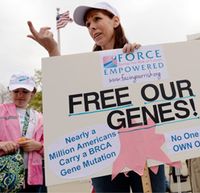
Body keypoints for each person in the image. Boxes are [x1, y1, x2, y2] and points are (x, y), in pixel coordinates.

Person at [27, 2, 166, 192]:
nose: (91, 26)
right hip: (103, 151)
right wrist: (52, 50)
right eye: (87, 24)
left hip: (144, 148)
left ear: (115, 21)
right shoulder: (87, 69)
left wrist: (141, 61)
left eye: (97, 19)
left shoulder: (138, 56)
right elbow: (64, 91)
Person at [0, 72, 46, 192]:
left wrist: (39, 146)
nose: (20, 95)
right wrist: (1, 144)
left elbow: (52, 147)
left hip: (33, 176)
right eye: (16, 91)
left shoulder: (40, 117)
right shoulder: (1, 111)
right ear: (10, 91)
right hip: (5, 174)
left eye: (25, 91)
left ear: (33, 93)